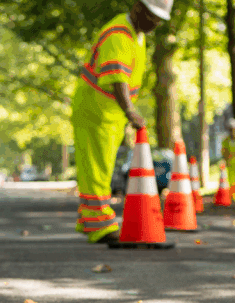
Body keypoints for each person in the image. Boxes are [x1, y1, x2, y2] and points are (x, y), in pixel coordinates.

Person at [71, 0, 173, 244]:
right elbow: (117, 78)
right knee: (96, 169)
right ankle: (101, 227)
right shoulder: (119, 35)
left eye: (160, 18)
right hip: (97, 111)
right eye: (153, 16)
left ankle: (90, 220)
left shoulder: (136, 34)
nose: (156, 22)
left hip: (108, 114)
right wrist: (130, 110)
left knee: (101, 169)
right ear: (138, 8)